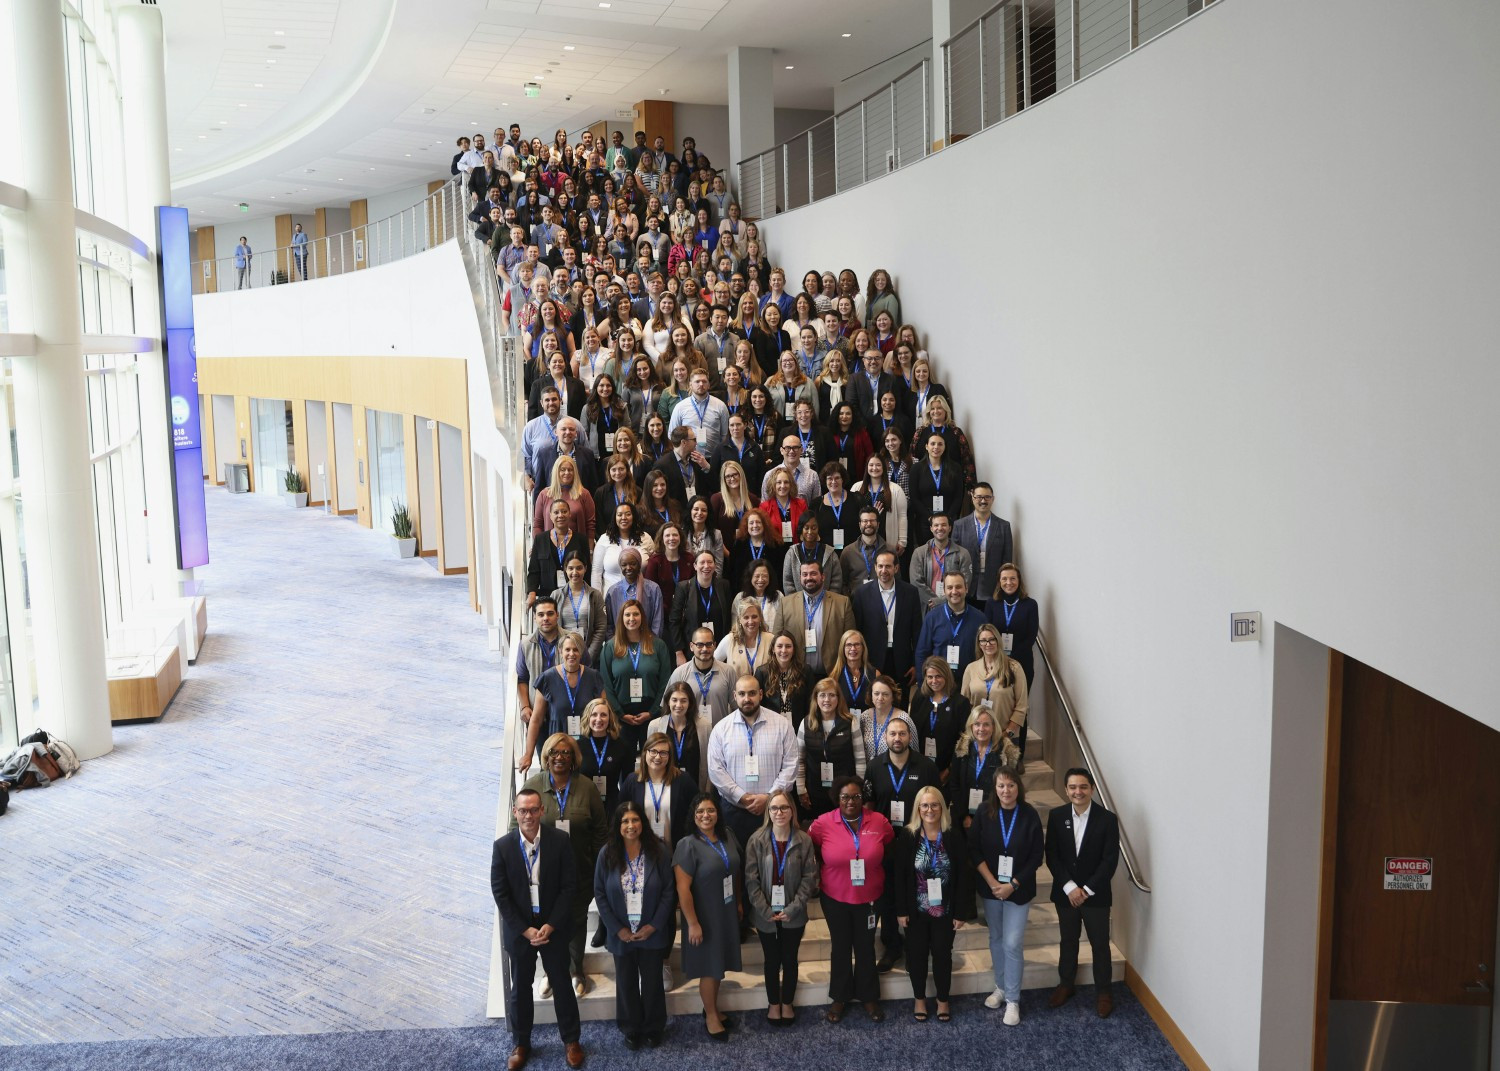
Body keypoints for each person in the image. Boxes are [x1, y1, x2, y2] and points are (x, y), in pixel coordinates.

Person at [491, 788, 585, 1071]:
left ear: (542, 810)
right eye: (523, 810)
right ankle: (521, 1043)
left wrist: (550, 924)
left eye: (533, 810)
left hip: (553, 927)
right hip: (521, 931)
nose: (528, 815)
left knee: (563, 985)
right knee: (520, 988)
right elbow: (500, 893)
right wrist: (524, 930)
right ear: (515, 812)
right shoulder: (503, 846)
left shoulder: (560, 840)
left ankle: (571, 1041)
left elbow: (570, 886)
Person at [520, 734, 607, 1000]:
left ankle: (575, 971)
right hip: (543, 875)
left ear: (574, 758)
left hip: (580, 871)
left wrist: (596, 868)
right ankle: (551, 972)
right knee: (548, 922)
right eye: (554, 752)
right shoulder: (533, 785)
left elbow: (600, 832)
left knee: (576, 922)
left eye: (566, 753)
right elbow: (519, 829)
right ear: (545, 757)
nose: (560, 757)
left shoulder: (587, 788)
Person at [809, 776, 893, 1023]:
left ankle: (869, 996)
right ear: (837, 798)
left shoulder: (879, 822)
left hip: (870, 898)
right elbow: (811, 845)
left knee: (866, 946)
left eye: (856, 796)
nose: (851, 801)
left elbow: (888, 846)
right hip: (835, 897)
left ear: (862, 798)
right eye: (845, 796)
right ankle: (840, 996)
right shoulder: (823, 823)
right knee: (841, 946)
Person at [593, 801, 675, 1050]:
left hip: (651, 931)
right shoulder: (607, 854)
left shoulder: (659, 850)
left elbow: (669, 892)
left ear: (643, 822)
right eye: (625, 821)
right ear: (618, 826)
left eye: (635, 820)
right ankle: (631, 1027)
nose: (631, 825)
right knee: (626, 981)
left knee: (652, 982)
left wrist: (654, 926)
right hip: (622, 933)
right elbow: (600, 893)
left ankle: (653, 1027)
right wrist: (617, 929)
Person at [865, 714, 940, 973]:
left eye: (902, 734)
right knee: (887, 896)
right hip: (885, 844)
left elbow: (937, 804)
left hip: (918, 841)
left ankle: (916, 946)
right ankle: (892, 946)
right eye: (892, 734)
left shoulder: (926, 767)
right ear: (885, 738)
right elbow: (869, 806)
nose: (897, 738)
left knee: (917, 892)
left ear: (910, 737)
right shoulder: (875, 766)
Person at [1046, 767, 1121, 1018]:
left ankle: (1103, 992)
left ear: (1092, 789)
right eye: (1073, 787)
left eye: (1083, 787)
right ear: (1066, 790)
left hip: (1095, 895)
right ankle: (1066, 984)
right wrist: (1070, 887)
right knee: (1068, 940)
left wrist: (1085, 890)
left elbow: (1109, 861)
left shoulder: (1107, 819)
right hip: (1065, 894)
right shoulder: (1056, 816)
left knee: (1100, 944)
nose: (1078, 791)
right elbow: (1052, 856)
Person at [973, 765, 1044, 1025]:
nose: (1006, 790)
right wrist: (993, 882)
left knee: (1012, 943)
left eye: (1011, 785)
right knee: (996, 938)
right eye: (1001, 785)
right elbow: (974, 850)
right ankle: (1000, 987)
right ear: (995, 788)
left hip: (1018, 890)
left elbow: (1037, 856)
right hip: (991, 889)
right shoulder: (984, 812)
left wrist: (1012, 885)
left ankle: (1013, 999)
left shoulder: (1029, 815)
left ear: (1018, 788)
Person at [894, 786, 972, 1022]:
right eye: (925, 805)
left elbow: (964, 876)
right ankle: (919, 998)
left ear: (942, 807)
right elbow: (899, 875)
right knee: (916, 955)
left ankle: (942, 1000)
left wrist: (961, 911)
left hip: (945, 911)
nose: (930, 810)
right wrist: (900, 910)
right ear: (918, 808)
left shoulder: (953, 835)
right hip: (915, 911)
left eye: (935, 804)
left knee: (942, 955)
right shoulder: (908, 836)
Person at [743, 788, 819, 1025]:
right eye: (774, 807)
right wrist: (765, 910)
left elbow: (810, 877)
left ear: (792, 810)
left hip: (793, 914)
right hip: (765, 914)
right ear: (768, 811)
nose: (779, 812)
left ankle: (787, 1003)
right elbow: (750, 879)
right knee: (771, 961)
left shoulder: (804, 840)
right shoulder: (756, 840)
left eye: (784, 807)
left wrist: (794, 908)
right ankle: (773, 1004)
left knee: (790, 959)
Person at [673, 793, 744, 1041]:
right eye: (700, 811)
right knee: (709, 966)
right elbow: (682, 889)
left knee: (718, 964)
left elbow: (734, 871)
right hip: (703, 915)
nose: (706, 815)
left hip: (725, 909)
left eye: (711, 810)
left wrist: (737, 901)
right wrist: (692, 923)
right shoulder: (687, 844)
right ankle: (711, 1015)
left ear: (718, 813)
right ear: (693, 816)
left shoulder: (727, 835)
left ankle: (713, 1007)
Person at [706, 674, 799, 850]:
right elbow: (716, 770)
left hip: (774, 811)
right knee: (736, 865)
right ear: (734, 696)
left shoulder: (782, 725)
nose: (746, 699)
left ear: (761, 694)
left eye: (752, 693)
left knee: (773, 864)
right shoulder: (721, 729)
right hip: (734, 811)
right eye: (741, 694)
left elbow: (791, 765)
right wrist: (742, 796)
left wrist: (769, 798)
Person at [520, 632, 605, 775]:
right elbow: (536, 720)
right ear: (560, 651)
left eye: (576, 649)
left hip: (587, 748)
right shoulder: (547, 678)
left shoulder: (593, 677)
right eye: (567, 649)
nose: (572, 653)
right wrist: (528, 754)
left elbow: (605, 714)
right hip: (557, 749)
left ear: (582, 652)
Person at [598, 599, 672, 755]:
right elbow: (606, 684)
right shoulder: (610, 647)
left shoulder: (658, 645)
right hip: (622, 716)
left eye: (636, 614)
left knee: (653, 761)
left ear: (642, 617)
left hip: (652, 715)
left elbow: (665, 683)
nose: (632, 618)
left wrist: (653, 712)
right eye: (627, 615)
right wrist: (620, 713)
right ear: (621, 618)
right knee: (624, 766)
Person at [852, 549, 924, 700]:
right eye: (880, 566)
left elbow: (917, 632)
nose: (884, 570)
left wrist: (916, 664)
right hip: (872, 663)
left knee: (899, 705)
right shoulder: (861, 594)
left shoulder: (910, 593)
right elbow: (857, 631)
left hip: (902, 663)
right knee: (874, 704)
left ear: (896, 568)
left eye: (888, 566)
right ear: (875, 567)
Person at [796, 677, 868, 821]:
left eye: (831, 695)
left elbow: (860, 759)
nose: (826, 700)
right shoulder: (806, 723)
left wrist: (859, 791)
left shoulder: (850, 722)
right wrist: (800, 789)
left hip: (845, 792)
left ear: (838, 698)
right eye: (822, 695)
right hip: (815, 790)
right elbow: (800, 759)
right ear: (816, 698)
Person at [960, 623, 1031, 762]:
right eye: (983, 640)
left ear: (998, 640)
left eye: (992, 639)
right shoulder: (971, 668)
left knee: (1004, 781)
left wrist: (1007, 733)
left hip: (1006, 737)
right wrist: (972, 731)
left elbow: (1021, 706)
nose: (988, 643)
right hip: (978, 736)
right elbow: (964, 703)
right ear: (979, 644)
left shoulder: (1014, 667)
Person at [621, 730, 699, 848]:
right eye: (653, 751)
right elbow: (621, 815)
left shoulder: (683, 781)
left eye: (663, 753)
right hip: (641, 851)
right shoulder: (632, 781)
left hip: (677, 851)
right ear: (645, 753)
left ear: (669, 756)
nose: (658, 757)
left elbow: (696, 812)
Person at [948, 706, 1018, 828]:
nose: (981, 729)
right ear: (971, 726)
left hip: (994, 817)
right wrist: (964, 816)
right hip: (964, 818)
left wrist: (993, 816)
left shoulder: (1005, 752)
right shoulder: (962, 749)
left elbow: (1009, 789)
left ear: (993, 727)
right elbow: (954, 784)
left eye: (986, 724)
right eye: (977, 724)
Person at [914, 571, 987, 681]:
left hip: (969, 683)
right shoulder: (932, 617)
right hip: (938, 684)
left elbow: (986, 654)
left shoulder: (980, 619)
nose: (954, 591)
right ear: (944, 591)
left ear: (966, 589)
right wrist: (922, 684)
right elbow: (922, 653)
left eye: (958, 587)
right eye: (949, 587)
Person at [952, 483, 1014, 611]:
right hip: (966, 588)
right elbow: (953, 560)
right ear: (972, 498)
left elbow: (1006, 561)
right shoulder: (959, 525)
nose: (983, 501)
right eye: (979, 497)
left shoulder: (1004, 526)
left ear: (993, 499)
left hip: (992, 589)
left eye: (987, 497)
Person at [909, 657, 970, 784]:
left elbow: (964, 741)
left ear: (946, 676)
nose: (934, 681)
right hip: (919, 765)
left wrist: (948, 770)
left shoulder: (960, 703)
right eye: (930, 677)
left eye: (938, 676)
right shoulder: (920, 697)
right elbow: (912, 731)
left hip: (947, 769)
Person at [790, 558, 856, 677]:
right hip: (796, 676)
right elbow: (777, 640)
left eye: (813, 573)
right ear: (799, 577)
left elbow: (851, 640)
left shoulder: (842, 603)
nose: (809, 577)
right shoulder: (786, 603)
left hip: (832, 674)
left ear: (823, 577)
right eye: (805, 574)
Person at [577, 698, 632, 834]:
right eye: (594, 714)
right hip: (584, 805)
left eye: (603, 715)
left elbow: (627, 781)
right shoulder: (578, 746)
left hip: (612, 805)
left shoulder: (622, 746)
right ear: (587, 717)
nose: (598, 719)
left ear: (610, 718)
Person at [667, 553, 732, 662]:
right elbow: (674, 621)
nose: (706, 566)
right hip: (691, 651)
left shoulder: (724, 586)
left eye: (710, 562)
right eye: (702, 562)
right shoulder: (684, 588)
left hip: (719, 649)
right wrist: (679, 652)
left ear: (715, 565)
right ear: (695, 566)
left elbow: (729, 618)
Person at [646, 681, 711, 789]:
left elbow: (709, 764)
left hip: (695, 788)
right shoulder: (655, 726)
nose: (678, 705)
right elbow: (649, 761)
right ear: (668, 701)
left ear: (690, 703)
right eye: (674, 700)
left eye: (683, 701)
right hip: (664, 789)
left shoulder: (704, 726)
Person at [527, 499, 591, 609]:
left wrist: (587, 594)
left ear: (570, 514)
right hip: (547, 596)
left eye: (564, 511)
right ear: (550, 516)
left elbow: (587, 570)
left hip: (574, 596)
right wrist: (531, 594)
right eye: (556, 512)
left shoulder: (581, 539)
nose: (560, 515)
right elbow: (534, 571)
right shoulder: (540, 539)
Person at [664, 624, 734, 724]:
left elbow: (737, 707)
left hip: (721, 734)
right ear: (691, 646)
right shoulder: (679, 673)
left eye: (709, 644)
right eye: (700, 645)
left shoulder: (728, 671)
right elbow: (667, 708)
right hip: (690, 735)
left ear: (715, 645)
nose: (705, 649)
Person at [987, 562, 1040, 688]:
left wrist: (1011, 658)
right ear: (999, 582)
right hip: (996, 661)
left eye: (1012, 578)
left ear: (1019, 580)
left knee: (1019, 703)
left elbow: (1031, 636)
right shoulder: (991, 604)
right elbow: (988, 633)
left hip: (1022, 662)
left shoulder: (1031, 605)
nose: (1008, 582)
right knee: (998, 701)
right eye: (1004, 579)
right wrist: (1000, 656)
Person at [909, 513, 974, 613]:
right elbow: (916, 582)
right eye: (936, 525)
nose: (940, 528)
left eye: (944, 525)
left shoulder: (963, 554)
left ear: (950, 528)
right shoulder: (919, 553)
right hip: (927, 607)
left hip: (954, 606)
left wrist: (942, 600)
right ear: (931, 528)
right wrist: (933, 600)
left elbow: (965, 583)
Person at [553, 553, 609, 664]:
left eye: (579, 568)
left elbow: (601, 628)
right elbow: (553, 627)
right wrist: (563, 654)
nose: (575, 572)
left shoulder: (595, 595)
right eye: (570, 568)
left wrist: (588, 656)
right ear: (565, 569)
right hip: (564, 656)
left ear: (585, 568)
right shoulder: (556, 595)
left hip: (589, 655)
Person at [604, 546, 664, 637]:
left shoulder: (653, 589)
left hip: (647, 643)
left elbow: (657, 622)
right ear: (620, 567)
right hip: (620, 644)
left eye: (633, 564)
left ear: (639, 564)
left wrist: (652, 644)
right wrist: (613, 645)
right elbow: (609, 624)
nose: (628, 568)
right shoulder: (613, 592)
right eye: (624, 565)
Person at [781, 513, 842, 596]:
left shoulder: (830, 553)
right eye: (806, 528)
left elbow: (836, 581)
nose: (810, 531)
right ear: (801, 529)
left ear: (818, 529)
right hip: (798, 604)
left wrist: (829, 600)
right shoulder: (792, 553)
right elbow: (788, 582)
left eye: (814, 528)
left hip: (826, 603)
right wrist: (796, 602)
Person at [715, 597, 775, 680]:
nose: (750, 621)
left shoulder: (771, 639)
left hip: (765, 692)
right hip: (737, 691)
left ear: (760, 618)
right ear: (739, 619)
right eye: (746, 617)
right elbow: (712, 663)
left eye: (754, 617)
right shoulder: (729, 640)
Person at [840, 506, 889, 589]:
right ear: (859, 525)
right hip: (855, 600)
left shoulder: (889, 550)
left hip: (882, 600)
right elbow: (843, 583)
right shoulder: (848, 552)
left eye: (872, 520)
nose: (869, 524)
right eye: (865, 521)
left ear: (878, 524)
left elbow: (896, 580)